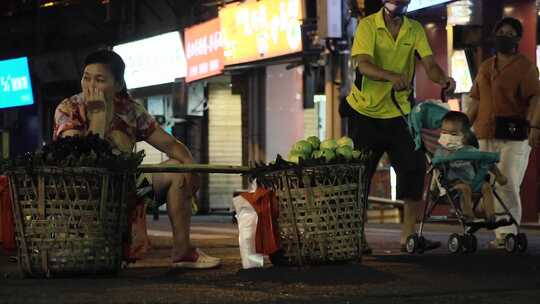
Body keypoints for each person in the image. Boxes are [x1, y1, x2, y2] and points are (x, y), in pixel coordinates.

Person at [53, 49, 221, 269]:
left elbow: (170, 144)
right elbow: (83, 161)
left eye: (100, 79)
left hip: (125, 187)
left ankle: (183, 252)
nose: (90, 85)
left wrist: (192, 169)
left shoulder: (130, 110)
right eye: (86, 78)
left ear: (119, 85)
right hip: (79, 192)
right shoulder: (68, 108)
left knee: (179, 171)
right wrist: (98, 116)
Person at [344, 0, 456, 252]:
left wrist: (445, 79)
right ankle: (356, 237)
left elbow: (429, 65)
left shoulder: (414, 29)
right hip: (366, 113)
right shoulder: (367, 26)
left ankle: (409, 237)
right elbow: (362, 63)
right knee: (361, 176)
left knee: (414, 168)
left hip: (399, 112)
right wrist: (390, 76)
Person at [466, 17, 540, 248]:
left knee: (506, 182)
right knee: (485, 185)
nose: (504, 37)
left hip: (514, 136)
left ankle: (507, 235)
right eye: (501, 33)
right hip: (484, 134)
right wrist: (462, 128)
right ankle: (499, 231)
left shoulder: (525, 67)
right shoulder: (486, 66)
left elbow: (536, 98)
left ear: (517, 39)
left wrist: (536, 126)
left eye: (510, 34)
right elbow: (475, 99)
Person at [434, 111, 507, 224]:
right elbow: (436, 164)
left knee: (486, 187)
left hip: (473, 182)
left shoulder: (469, 150)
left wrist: (499, 176)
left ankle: (491, 216)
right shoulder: (441, 151)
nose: (447, 137)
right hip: (452, 185)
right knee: (464, 188)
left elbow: (485, 160)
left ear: (464, 135)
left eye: (453, 134)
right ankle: (469, 216)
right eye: (444, 132)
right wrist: (446, 158)